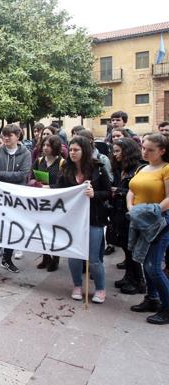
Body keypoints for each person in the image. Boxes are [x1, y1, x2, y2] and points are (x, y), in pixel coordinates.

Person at [57, 137, 110, 303]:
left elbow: (108, 192)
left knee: (94, 259)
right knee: (73, 255)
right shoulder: (66, 168)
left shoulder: (98, 168)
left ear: (85, 151)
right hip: (73, 220)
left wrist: (95, 194)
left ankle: (100, 289)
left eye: (76, 150)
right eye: (71, 150)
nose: (72, 153)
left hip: (94, 219)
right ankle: (77, 285)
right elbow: (59, 192)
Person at [127, 134, 169, 324]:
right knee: (145, 262)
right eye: (143, 147)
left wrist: (151, 211)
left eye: (150, 149)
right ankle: (152, 299)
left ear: (162, 151)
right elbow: (131, 190)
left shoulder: (166, 169)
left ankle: (167, 307)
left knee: (154, 266)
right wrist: (132, 209)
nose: (145, 151)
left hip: (159, 222)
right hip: (139, 221)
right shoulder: (142, 168)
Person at [0, 124, 31, 279]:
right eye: (4, 135)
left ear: (18, 136)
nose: (6, 138)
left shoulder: (26, 153)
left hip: (17, 198)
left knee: (13, 230)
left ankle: (7, 259)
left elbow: (22, 175)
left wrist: (0, 174)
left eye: (9, 135)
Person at [109, 138, 146, 295]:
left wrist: (118, 191)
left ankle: (139, 282)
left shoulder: (140, 169)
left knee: (132, 250)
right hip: (119, 213)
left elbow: (139, 193)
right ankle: (129, 277)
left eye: (118, 151)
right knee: (125, 247)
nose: (115, 154)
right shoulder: (120, 168)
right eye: (114, 151)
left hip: (131, 214)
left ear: (127, 152)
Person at [31, 135, 66, 271]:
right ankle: (46, 257)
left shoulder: (63, 163)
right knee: (42, 230)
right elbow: (31, 177)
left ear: (55, 148)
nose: (45, 148)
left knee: (54, 231)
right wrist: (36, 183)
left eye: (49, 146)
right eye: (44, 145)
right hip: (41, 202)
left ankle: (55, 259)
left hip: (56, 202)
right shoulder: (39, 161)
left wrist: (48, 187)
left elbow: (64, 184)